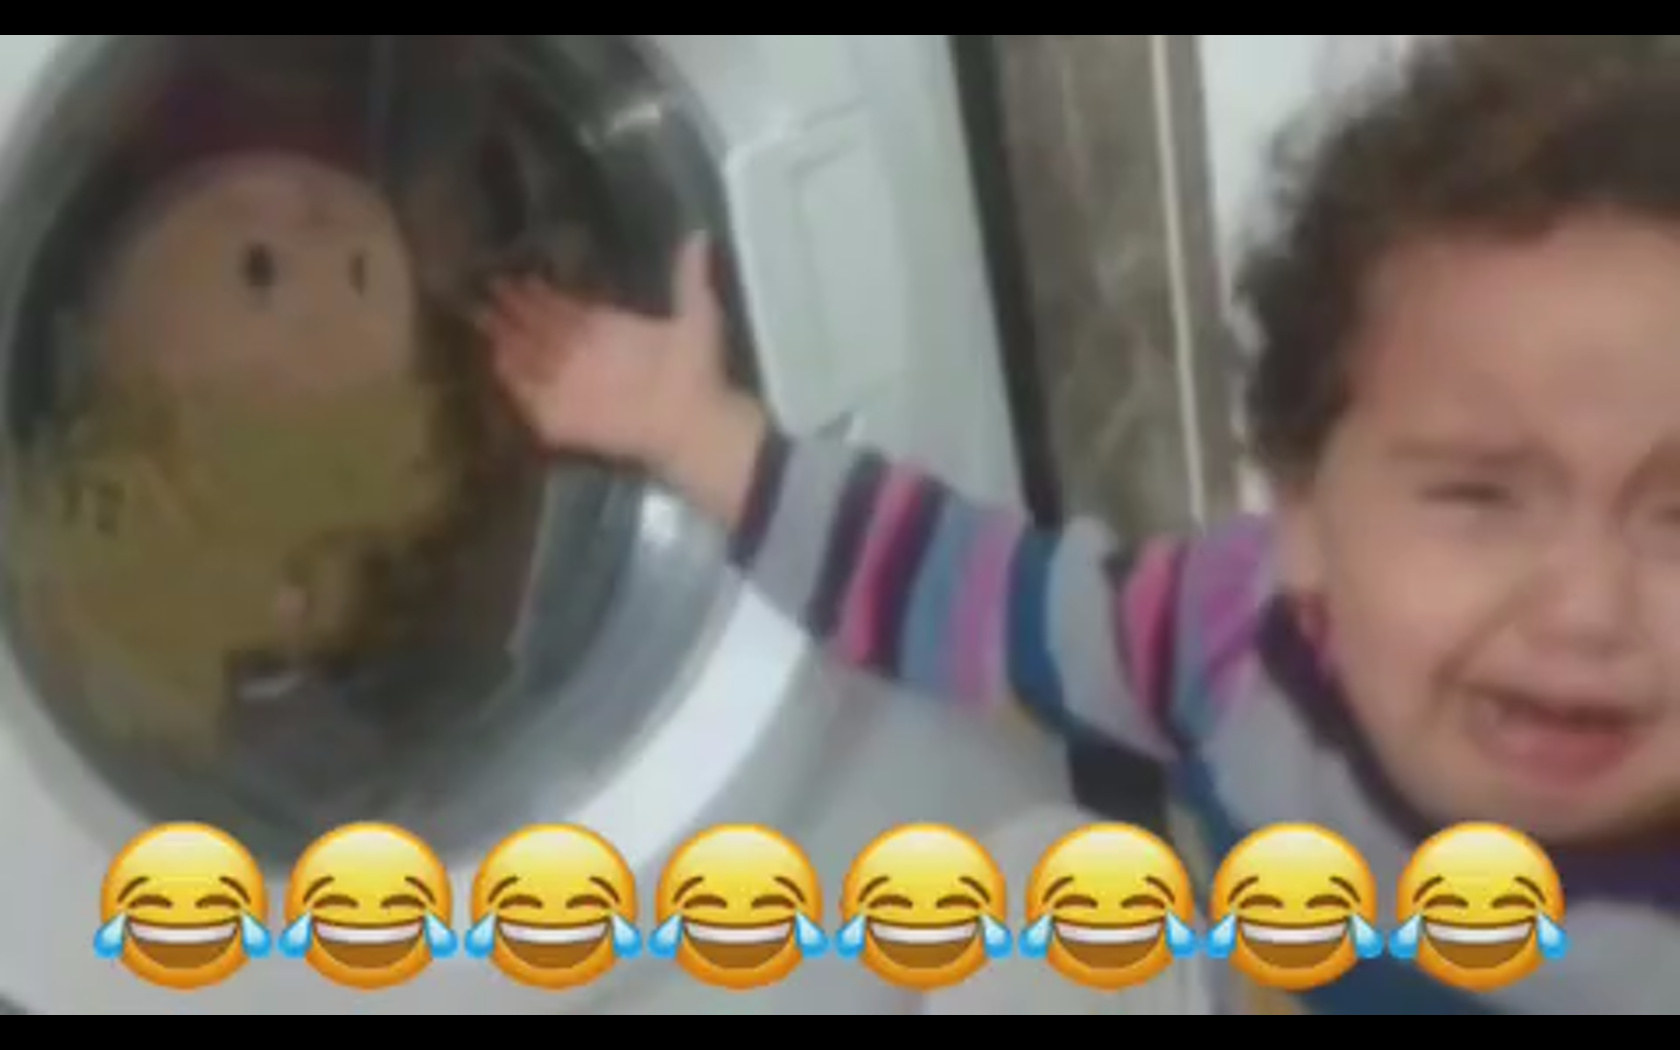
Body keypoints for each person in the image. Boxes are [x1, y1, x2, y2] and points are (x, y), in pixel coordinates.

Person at [475, 35, 1680, 1014]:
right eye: (1479, 497)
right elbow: (969, 589)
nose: (1586, 608)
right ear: (1304, 514)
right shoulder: (1230, 637)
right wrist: (693, 434)